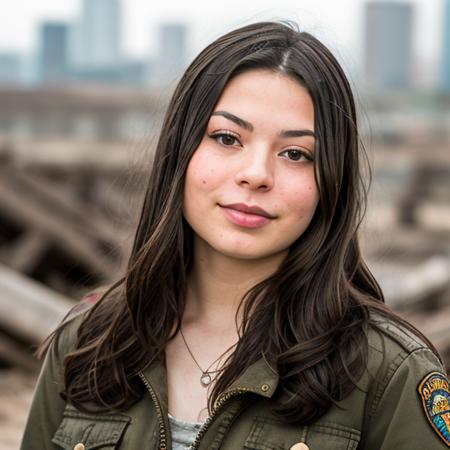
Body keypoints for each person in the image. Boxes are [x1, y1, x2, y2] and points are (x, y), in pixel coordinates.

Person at [21, 20, 450, 450]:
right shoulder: (87, 345)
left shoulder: (390, 373)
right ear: (180, 151)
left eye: (296, 154)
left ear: (330, 182)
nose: (256, 174)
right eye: (227, 138)